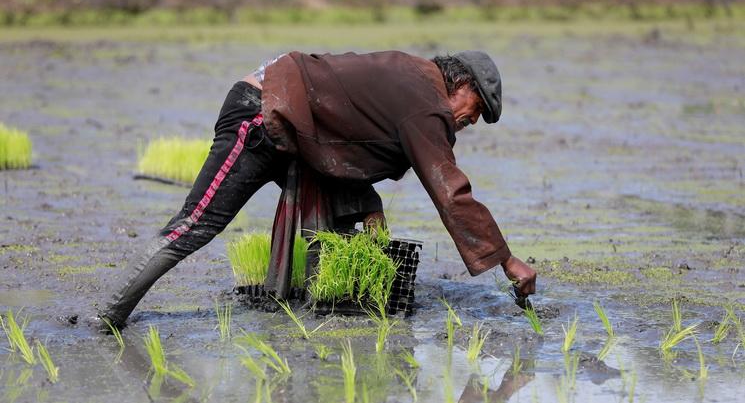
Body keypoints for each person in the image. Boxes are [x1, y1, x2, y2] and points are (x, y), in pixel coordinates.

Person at [97, 50, 537, 329]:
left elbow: (347, 136)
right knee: (198, 224)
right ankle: (108, 314)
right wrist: (505, 259)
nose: (471, 121)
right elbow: (450, 191)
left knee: (331, 230)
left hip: (296, 132)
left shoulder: (412, 80)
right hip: (262, 114)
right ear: (460, 86)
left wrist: (368, 201)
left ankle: (289, 308)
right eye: (475, 110)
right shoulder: (425, 102)